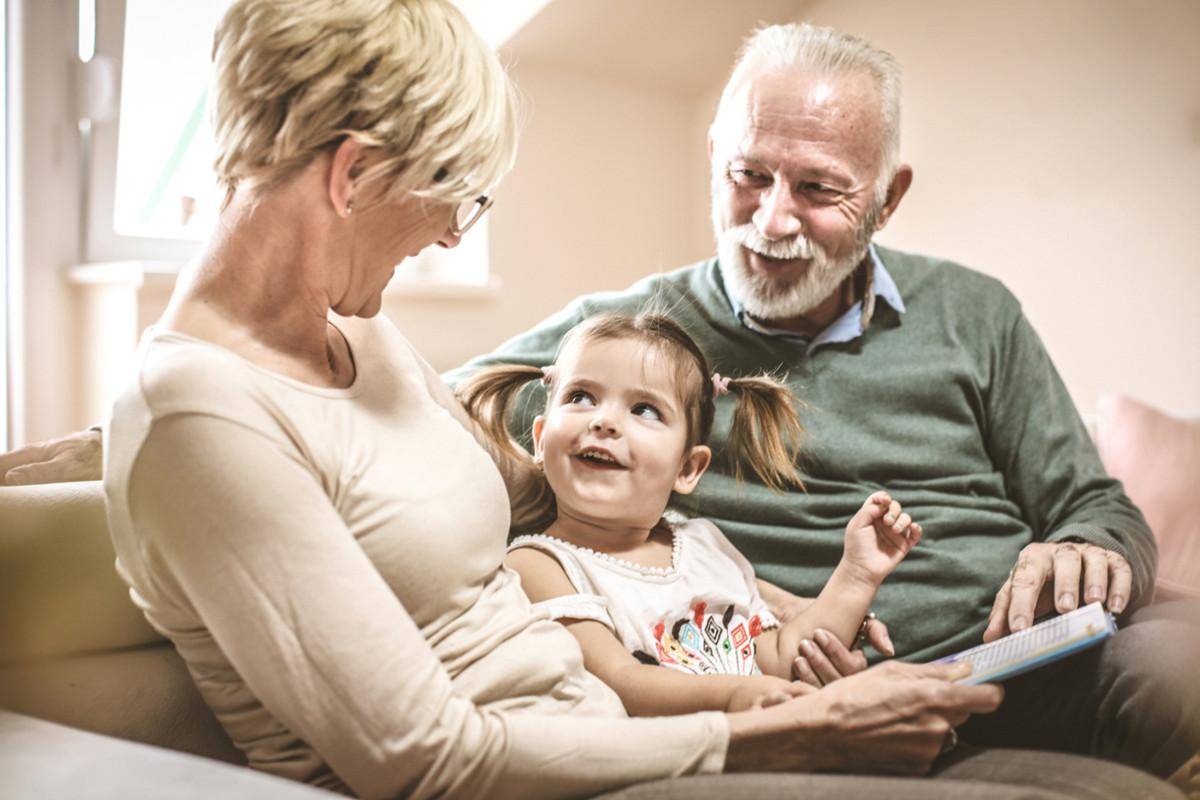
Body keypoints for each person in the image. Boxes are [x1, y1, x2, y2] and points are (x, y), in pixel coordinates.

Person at [0, 9, 1188, 797]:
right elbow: (246, 437)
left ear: (890, 196)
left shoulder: (359, 334)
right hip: (684, 710)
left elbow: (423, 432)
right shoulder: (621, 344)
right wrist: (770, 714)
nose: (773, 218)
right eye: (747, 176)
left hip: (873, 677)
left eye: (820, 190)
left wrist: (1090, 540)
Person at [458, 311, 922, 715]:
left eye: (643, 409)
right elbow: (621, 683)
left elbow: (781, 656)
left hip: (772, 735)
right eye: (581, 397)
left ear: (688, 468)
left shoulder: (702, 544)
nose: (603, 420)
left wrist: (857, 575)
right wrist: (743, 696)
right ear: (540, 438)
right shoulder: (540, 563)